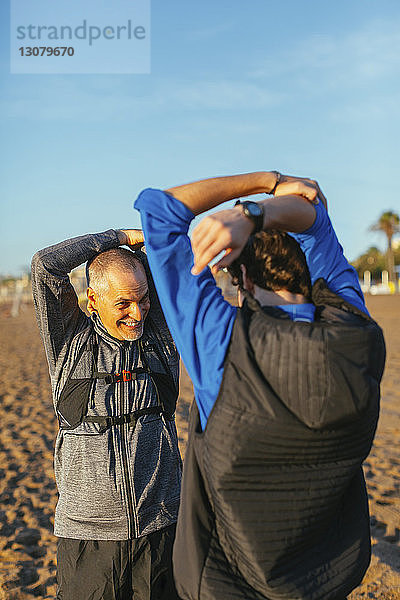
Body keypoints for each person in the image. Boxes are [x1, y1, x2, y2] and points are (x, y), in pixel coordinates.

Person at [134, 171, 386, 600]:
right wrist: (255, 215)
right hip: (328, 577)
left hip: (228, 584)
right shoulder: (358, 337)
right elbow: (315, 218)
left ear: (244, 279)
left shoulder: (222, 346)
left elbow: (158, 209)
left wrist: (266, 182)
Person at [31, 228, 182, 600]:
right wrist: (118, 236)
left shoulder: (158, 338)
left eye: (143, 299)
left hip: (161, 527)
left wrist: (144, 250)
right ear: (93, 300)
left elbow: (169, 258)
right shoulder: (70, 345)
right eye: (123, 304)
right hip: (88, 538)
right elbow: (45, 267)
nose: (137, 313)